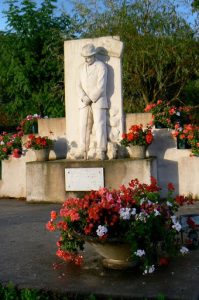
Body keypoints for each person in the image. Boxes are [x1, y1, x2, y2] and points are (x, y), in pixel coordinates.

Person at [76, 43, 108, 160]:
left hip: (98, 100)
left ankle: (101, 150)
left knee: (99, 125)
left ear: (94, 55)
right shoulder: (80, 68)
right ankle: (82, 149)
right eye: (85, 57)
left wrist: (90, 98)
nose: (86, 59)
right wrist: (84, 97)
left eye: (89, 56)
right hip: (84, 101)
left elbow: (101, 86)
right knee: (83, 125)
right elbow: (78, 85)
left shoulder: (101, 66)